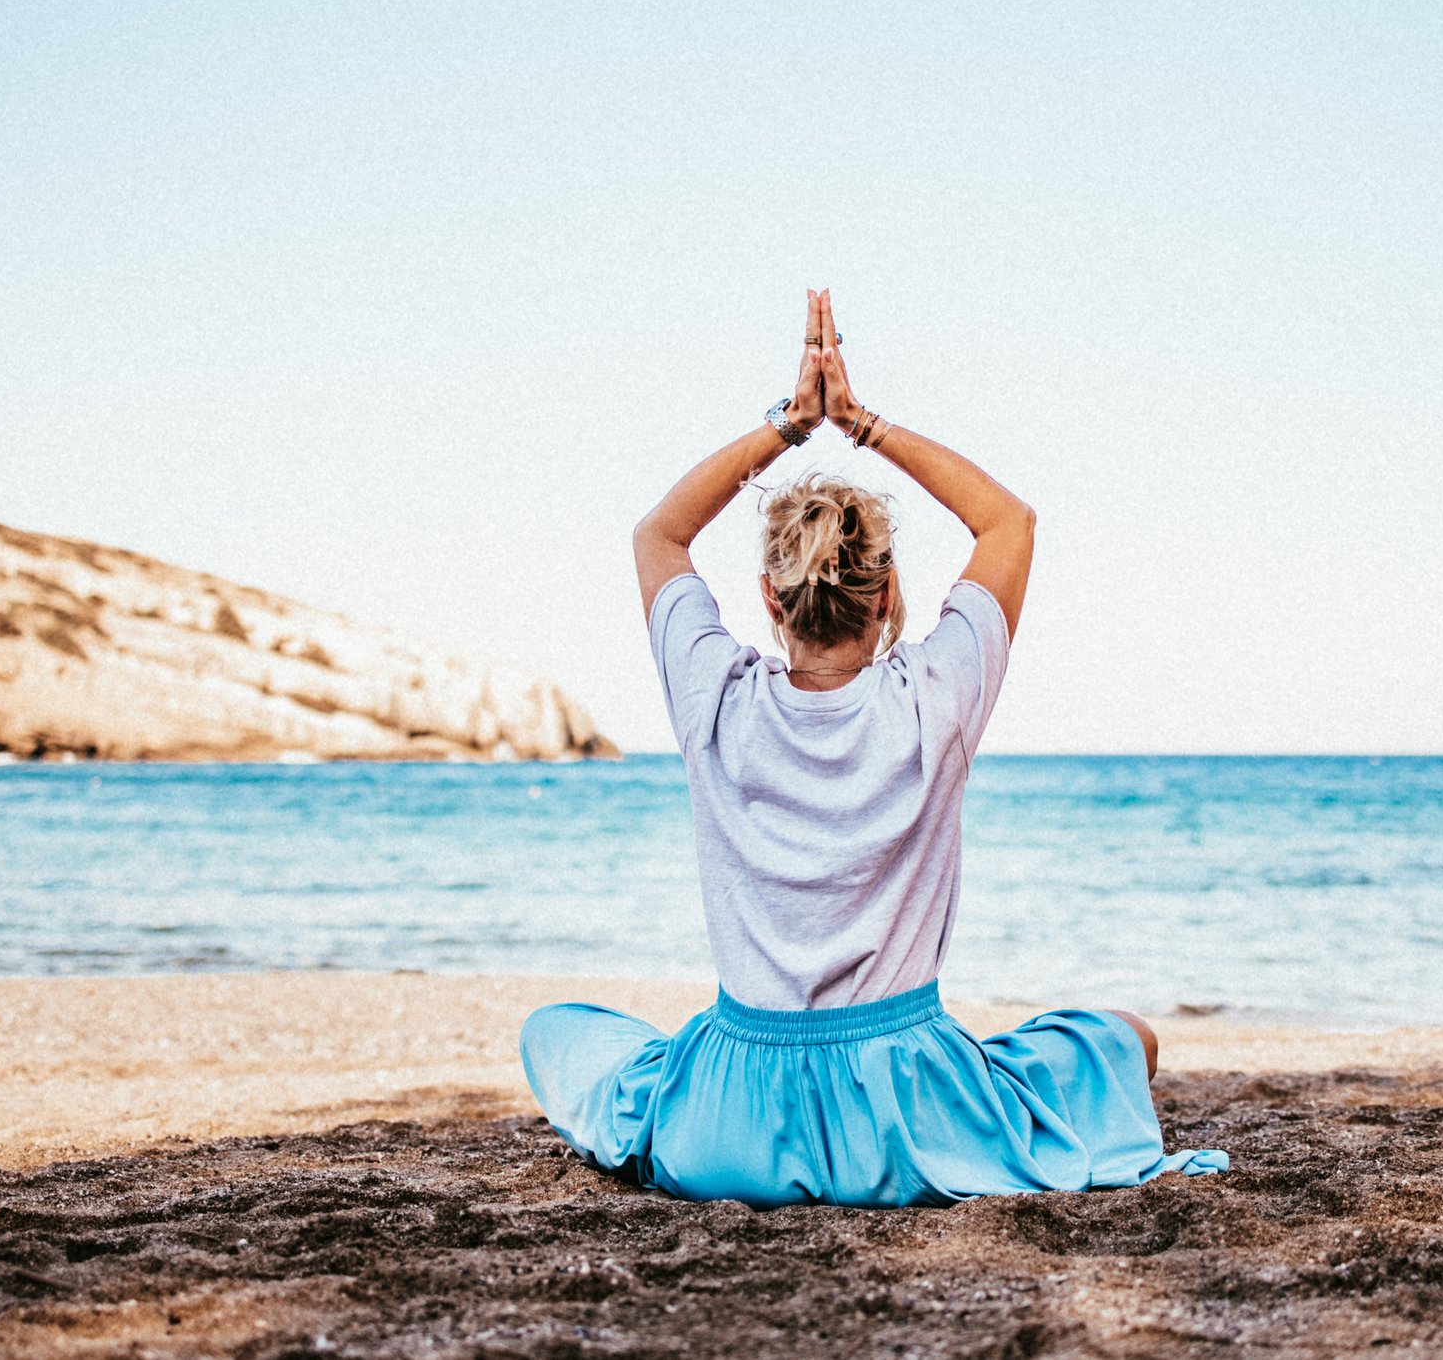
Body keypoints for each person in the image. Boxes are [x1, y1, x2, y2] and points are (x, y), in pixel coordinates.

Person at [520, 289, 1227, 1207]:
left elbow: (658, 532)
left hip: (731, 1122)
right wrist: (862, 424)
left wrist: (788, 425)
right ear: (888, 590)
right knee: (1125, 1038)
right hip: (910, 1115)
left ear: (770, 600)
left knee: (559, 1031)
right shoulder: (938, 697)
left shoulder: (716, 701)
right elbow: (1008, 522)